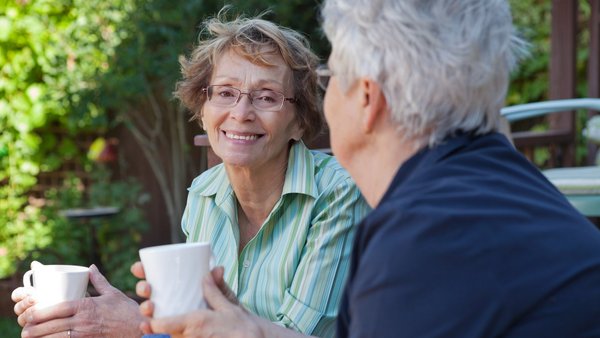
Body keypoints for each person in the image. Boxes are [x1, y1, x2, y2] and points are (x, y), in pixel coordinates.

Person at [135, 0, 600, 337]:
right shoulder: (511, 189)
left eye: (332, 77)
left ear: (367, 100)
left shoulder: (419, 240)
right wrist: (248, 329)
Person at [11, 13, 370, 338]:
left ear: (299, 122)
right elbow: (192, 326)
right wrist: (92, 317)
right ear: (203, 111)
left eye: (267, 96)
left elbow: (293, 335)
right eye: (225, 93)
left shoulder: (337, 194)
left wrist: (139, 325)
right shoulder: (204, 193)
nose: (241, 112)